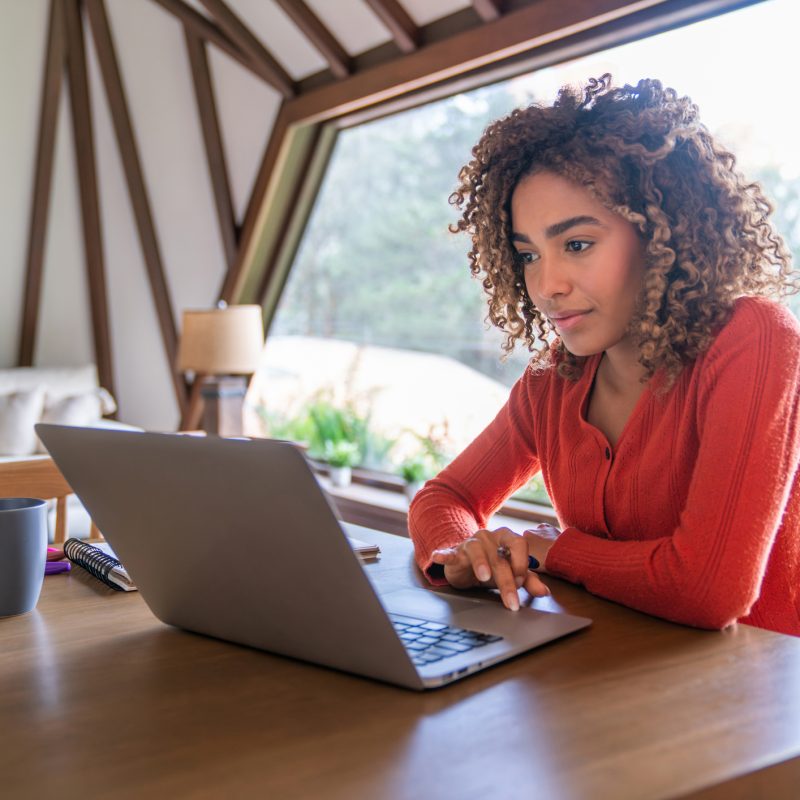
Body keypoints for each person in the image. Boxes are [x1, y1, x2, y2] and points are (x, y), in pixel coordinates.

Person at [408, 74, 800, 636]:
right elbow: (445, 497)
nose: (546, 286)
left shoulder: (753, 339)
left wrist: (550, 548)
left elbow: (710, 589)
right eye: (528, 255)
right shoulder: (552, 384)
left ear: (662, 234)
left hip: (757, 701)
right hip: (613, 682)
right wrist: (463, 552)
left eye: (577, 244)